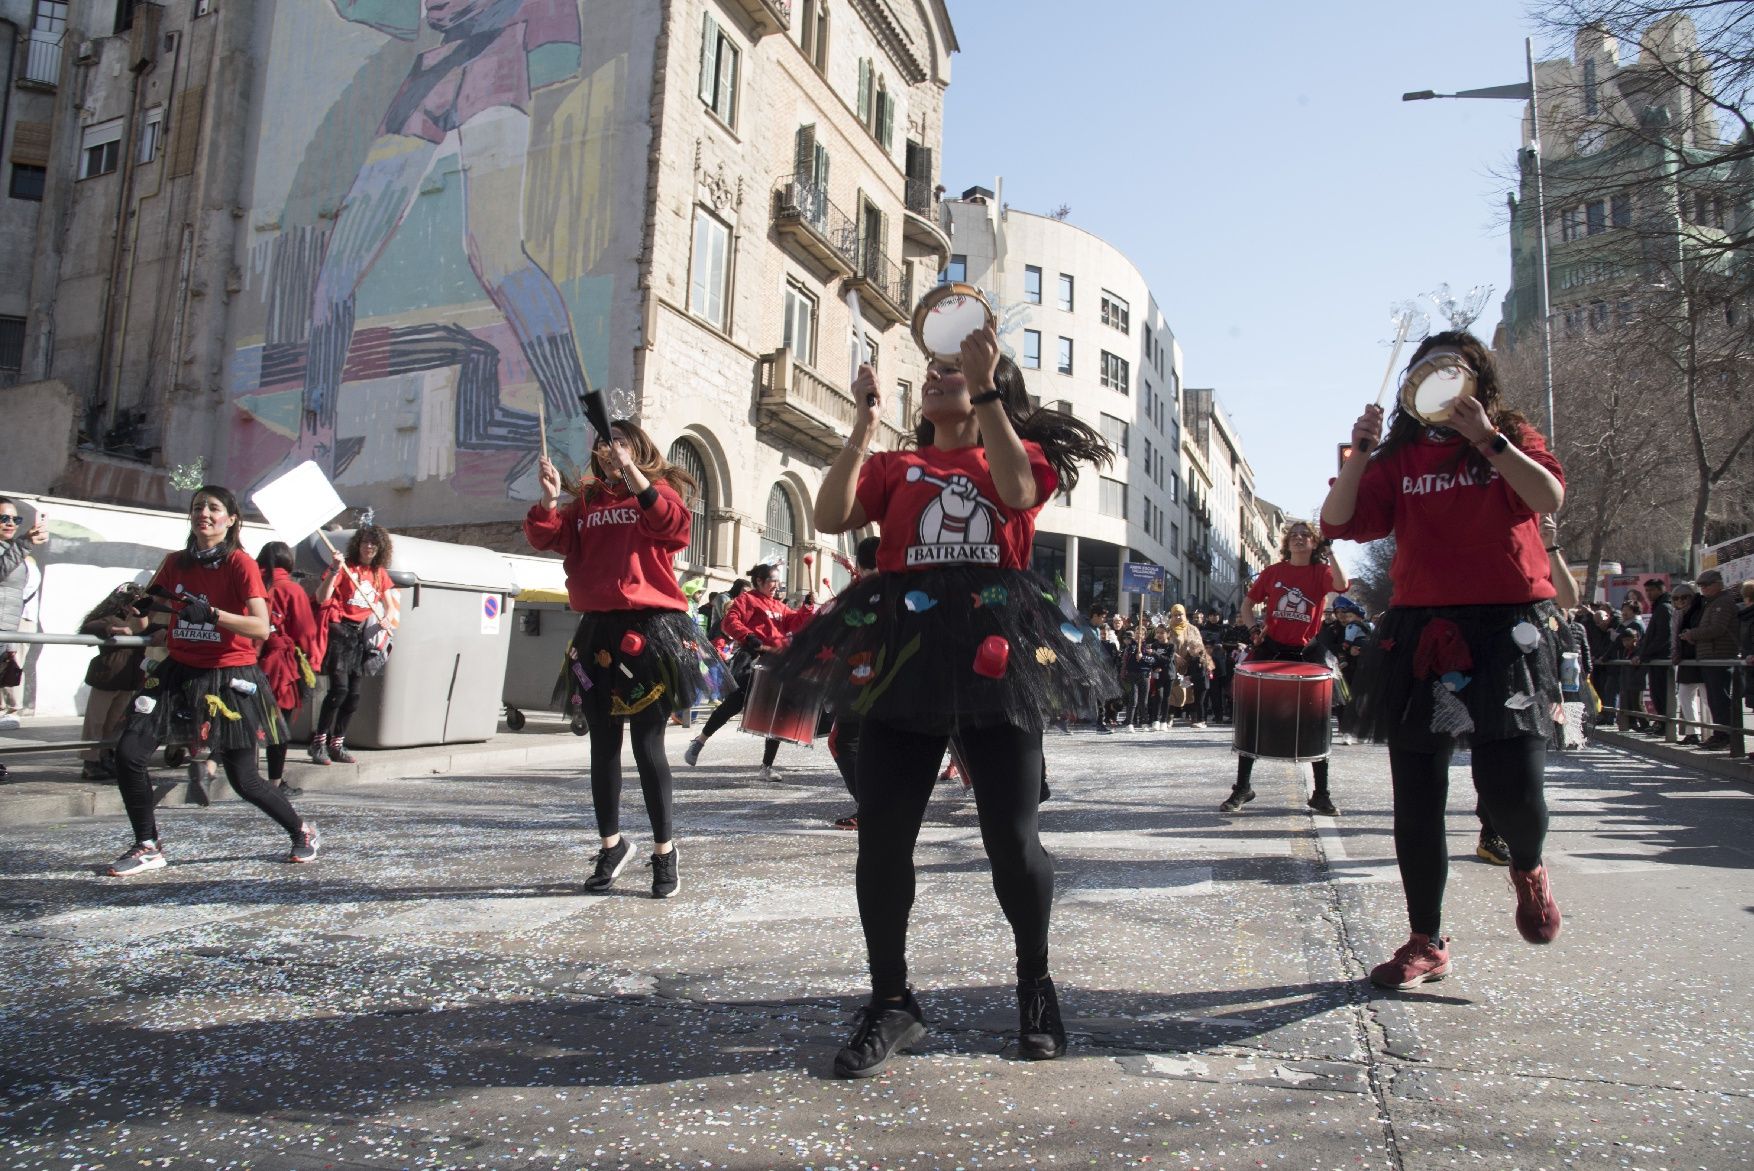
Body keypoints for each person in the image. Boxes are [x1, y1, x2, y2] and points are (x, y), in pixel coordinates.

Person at [772, 325, 1116, 1079]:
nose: (939, 376)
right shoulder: (897, 464)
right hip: (905, 655)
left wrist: (987, 385)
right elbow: (831, 517)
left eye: (954, 371)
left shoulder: (1013, 453)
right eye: (933, 370)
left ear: (987, 383)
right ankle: (892, 1001)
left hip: (996, 654)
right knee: (883, 840)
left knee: (1012, 842)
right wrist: (862, 427)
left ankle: (1035, 984)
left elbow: (1020, 492)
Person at [1322, 330, 1567, 991]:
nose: (1439, 381)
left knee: (1510, 788)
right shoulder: (1398, 456)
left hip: (1506, 626)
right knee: (1418, 796)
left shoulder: (1509, 433)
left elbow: (1547, 498)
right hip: (1421, 629)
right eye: (1427, 371)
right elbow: (1337, 519)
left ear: (1477, 380)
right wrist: (1361, 453)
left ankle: (1529, 865)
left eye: (1452, 371)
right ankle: (1425, 938)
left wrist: (1490, 439)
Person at [525, 421, 710, 898]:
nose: (608, 453)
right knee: (601, 746)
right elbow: (548, 538)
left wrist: (634, 474)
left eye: (618, 445)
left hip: (649, 631)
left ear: (636, 447)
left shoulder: (659, 491)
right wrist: (548, 501)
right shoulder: (585, 501)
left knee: (648, 746)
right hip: (597, 630)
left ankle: (664, 851)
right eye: (603, 448)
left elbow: (674, 527)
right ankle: (612, 845)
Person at [105, 486, 320, 876]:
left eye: (213, 508)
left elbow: (261, 626)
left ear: (231, 519)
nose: (203, 513)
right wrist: (129, 609)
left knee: (244, 779)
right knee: (128, 754)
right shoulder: (173, 563)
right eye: (197, 507)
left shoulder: (240, 564)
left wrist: (213, 615)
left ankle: (302, 830)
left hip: (229, 676)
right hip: (177, 671)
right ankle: (148, 845)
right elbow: (146, 619)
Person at [1220, 520, 1349, 817]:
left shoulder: (1321, 572)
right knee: (1253, 716)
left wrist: (1330, 554)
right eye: (1294, 535)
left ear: (1315, 542)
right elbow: (1247, 606)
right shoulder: (1273, 572)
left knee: (1316, 721)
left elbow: (1342, 586)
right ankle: (1242, 788)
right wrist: (1253, 630)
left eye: (1306, 535)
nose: (1299, 539)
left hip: (1307, 653)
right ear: (1287, 542)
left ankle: (1321, 793)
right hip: (1271, 650)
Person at [681, 563, 815, 781]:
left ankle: (766, 767)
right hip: (752, 658)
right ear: (759, 581)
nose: (776, 585)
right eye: (772, 580)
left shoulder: (779, 606)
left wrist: (807, 608)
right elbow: (729, 622)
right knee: (734, 703)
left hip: (776, 661)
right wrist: (748, 636)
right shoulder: (746, 600)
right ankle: (700, 740)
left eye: (777, 581)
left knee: (776, 712)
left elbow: (795, 622)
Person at [310, 524, 400, 765]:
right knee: (339, 690)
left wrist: (385, 617)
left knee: (354, 695)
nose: (369, 546)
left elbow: (391, 605)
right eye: (365, 542)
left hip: (362, 637)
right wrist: (335, 570)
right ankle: (318, 743)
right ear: (358, 544)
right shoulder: (345, 567)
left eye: (374, 543)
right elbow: (322, 597)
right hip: (340, 632)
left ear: (380, 547)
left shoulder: (380, 574)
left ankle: (337, 743)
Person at [257, 542, 324, 795]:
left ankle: (207, 767)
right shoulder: (291, 590)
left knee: (242, 718)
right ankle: (274, 782)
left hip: (246, 660)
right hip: (280, 665)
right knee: (278, 725)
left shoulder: (252, 584)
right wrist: (309, 660)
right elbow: (306, 632)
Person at [828, 536, 884, 829]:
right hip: (901, 678)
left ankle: (869, 807)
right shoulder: (901, 587)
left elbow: (833, 630)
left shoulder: (857, 594)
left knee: (844, 741)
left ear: (861, 565)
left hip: (861, 675)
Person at [76, 583, 154, 781]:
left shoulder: (139, 618)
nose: (136, 604)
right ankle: (90, 762)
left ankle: (106, 757)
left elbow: (148, 631)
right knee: (96, 722)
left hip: (128, 679)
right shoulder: (110, 617)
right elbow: (89, 626)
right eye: (133, 600)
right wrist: (114, 629)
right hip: (107, 676)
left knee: (115, 724)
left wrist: (143, 616)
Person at [0, 498, 47, 721]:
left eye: (15, 519)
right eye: (3, 518)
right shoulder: (16, 549)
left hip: (6, 631)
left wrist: (10, 640)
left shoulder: (12, 549)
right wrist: (24, 543)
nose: (10, 523)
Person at [1684, 568, 1739, 750]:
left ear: (1718, 585)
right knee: (1714, 699)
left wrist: (1693, 634)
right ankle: (1720, 733)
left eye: (1706, 585)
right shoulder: (1712, 603)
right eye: (1700, 586)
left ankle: (1725, 735)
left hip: (1719, 655)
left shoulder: (1722, 603)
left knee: (1720, 698)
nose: (1703, 589)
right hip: (1710, 656)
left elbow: (1717, 629)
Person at [1632, 577, 1675, 736]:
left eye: (1651, 590)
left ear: (1661, 589)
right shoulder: (1658, 607)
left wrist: (1645, 654)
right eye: (1647, 591)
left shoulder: (1664, 607)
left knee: (1662, 694)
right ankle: (1661, 723)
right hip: (1655, 658)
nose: (1648, 594)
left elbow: (1664, 637)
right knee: (1657, 694)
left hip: (1661, 658)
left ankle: (1666, 726)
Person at [1668, 581, 1706, 743]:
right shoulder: (1677, 615)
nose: (1680, 601)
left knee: (1708, 699)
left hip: (1701, 657)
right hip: (1685, 658)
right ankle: (1692, 732)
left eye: (1684, 597)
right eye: (1676, 598)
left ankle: (1714, 733)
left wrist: (1691, 636)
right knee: (1684, 696)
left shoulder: (1701, 609)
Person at [1164, 605, 1210, 727]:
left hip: (1190, 666)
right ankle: (1170, 717)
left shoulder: (1192, 629)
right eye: (1175, 615)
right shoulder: (1167, 630)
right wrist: (1175, 656)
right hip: (1173, 665)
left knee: (1190, 691)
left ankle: (1194, 716)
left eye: (1181, 614)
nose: (1178, 617)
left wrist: (1193, 657)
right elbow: (1163, 646)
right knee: (1173, 691)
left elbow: (1199, 646)